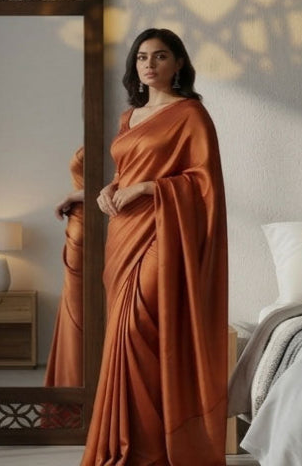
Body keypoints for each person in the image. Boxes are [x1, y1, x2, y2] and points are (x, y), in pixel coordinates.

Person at [81, 28, 229, 465]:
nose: (150, 64)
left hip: (163, 231)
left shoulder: (191, 114)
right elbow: (127, 169)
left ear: (178, 63)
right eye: (143, 56)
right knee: (121, 336)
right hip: (123, 233)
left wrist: (148, 188)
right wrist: (111, 188)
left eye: (161, 56)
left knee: (139, 328)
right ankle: (128, 441)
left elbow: (203, 183)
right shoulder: (129, 117)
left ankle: (152, 448)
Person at [45, 145, 85, 389]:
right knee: (74, 305)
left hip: (90, 224)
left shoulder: (120, 134)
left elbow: (117, 183)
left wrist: (72, 197)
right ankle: (72, 384)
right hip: (78, 223)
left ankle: (78, 386)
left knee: (79, 307)